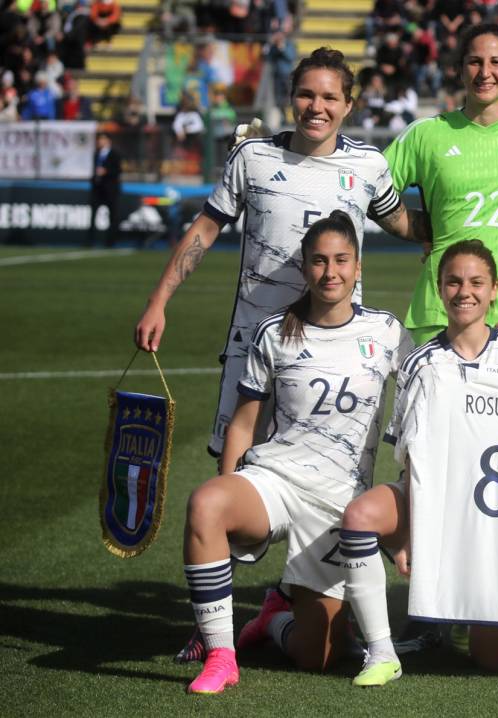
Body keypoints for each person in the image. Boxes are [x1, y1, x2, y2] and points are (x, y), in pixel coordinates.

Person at [134, 47, 414, 460]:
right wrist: (158, 302)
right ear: (291, 97)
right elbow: (204, 231)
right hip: (254, 342)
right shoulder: (252, 157)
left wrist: (457, 227)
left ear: (348, 105)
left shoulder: (369, 165)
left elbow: (402, 223)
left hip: (333, 351)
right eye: (306, 94)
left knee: (327, 475)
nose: (316, 107)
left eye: (330, 97)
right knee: (237, 471)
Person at [181, 211, 413, 695]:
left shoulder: (387, 332)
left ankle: (272, 618)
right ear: (304, 267)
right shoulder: (273, 333)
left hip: (338, 502)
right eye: (319, 261)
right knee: (206, 503)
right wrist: (228, 487)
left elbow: (434, 381)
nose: (331, 272)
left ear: (358, 267)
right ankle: (221, 655)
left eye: (341, 260)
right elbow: (244, 424)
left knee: (319, 656)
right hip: (276, 480)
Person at [339, 239, 498, 686]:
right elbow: (413, 455)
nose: (464, 292)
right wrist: (412, 536)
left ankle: (465, 609)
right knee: (360, 516)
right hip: (434, 502)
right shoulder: (420, 362)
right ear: (439, 287)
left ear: (494, 290)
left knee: (494, 664)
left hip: (491, 513)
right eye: (453, 282)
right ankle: (382, 652)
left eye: (476, 282)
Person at [383, 22, 498, 357]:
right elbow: (372, 186)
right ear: (460, 69)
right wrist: (419, 228)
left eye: (496, 62)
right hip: (441, 309)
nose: (485, 72)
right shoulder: (426, 134)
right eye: (474, 62)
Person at [87, 132, 122, 248]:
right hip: (97, 189)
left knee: (112, 216)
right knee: (92, 215)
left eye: (102, 139)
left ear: (108, 141)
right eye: (99, 139)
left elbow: (118, 170)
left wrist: (106, 171)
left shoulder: (115, 154)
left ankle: (110, 242)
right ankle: (90, 241)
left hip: (110, 190)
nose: (100, 142)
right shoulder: (96, 154)